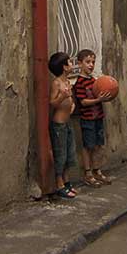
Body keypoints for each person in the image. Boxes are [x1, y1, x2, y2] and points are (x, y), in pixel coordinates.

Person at [73, 49, 112, 187]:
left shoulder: (95, 81)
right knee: (88, 147)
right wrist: (98, 99)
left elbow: (100, 94)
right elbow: (83, 102)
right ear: (79, 63)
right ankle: (88, 173)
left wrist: (107, 95)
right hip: (87, 119)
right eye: (87, 62)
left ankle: (97, 170)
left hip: (98, 118)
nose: (91, 65)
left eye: (93, 62)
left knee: (98, 145)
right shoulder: (80, 83)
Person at [48, 51, 77, 199]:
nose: (72, 64)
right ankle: (59, 184)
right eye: (70, 62)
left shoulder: (67, 81)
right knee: (61, 154)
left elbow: (70, 99)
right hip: (59, 124)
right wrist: (62, 96)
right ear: (64, 67)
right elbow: (52, 103)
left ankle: (67, 181)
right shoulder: (56, 83)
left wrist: (71, 105)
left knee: (69, 154)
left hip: (68, 122)